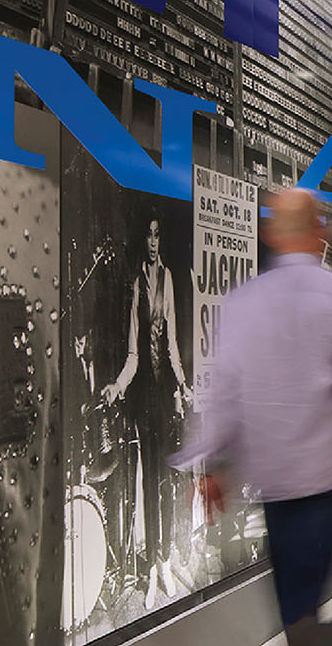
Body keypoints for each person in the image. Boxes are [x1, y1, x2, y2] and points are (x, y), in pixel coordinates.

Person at [172, 189, 332, 641]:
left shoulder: (243, 301)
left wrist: (213, 467)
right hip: (326, 476)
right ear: (321, 233)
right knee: (304, 602)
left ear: (272, 235)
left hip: (272, 478)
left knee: (295, 599)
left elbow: (224, 390)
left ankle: (304, 631)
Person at [101, 212, 192, 610]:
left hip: (165, 395)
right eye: (148, 235)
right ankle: (153, 565)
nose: (153, 242)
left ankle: (167, 559)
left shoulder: (169, 279)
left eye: (158, 235)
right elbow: (134, 354)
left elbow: (170, 342)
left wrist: (184, 384)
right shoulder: (136, 284)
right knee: (148, 483)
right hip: (142, 400)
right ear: (142, 240)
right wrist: (118, 385)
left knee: (167, 480)